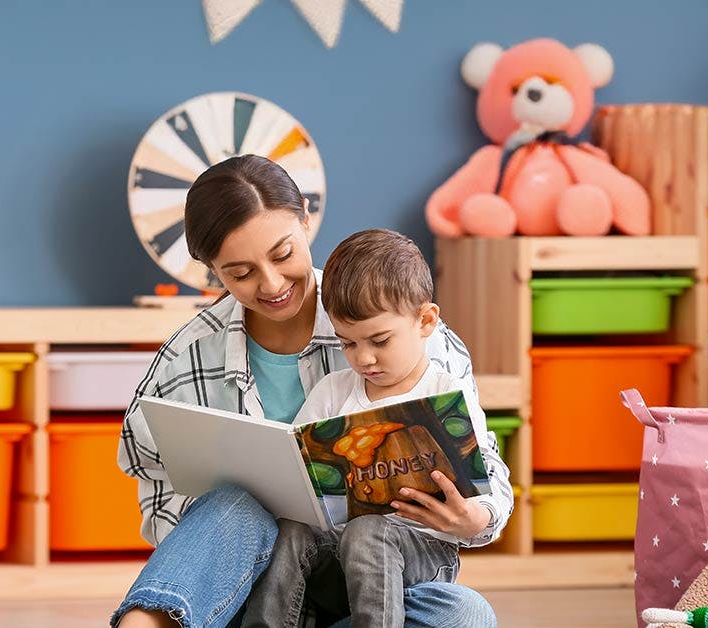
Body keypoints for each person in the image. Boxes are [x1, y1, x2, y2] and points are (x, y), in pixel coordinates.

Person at [113, 155, 503, 628]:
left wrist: (475, 521)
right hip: (248, 590)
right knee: (235, 506)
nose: (272, 284)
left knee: (464, 614)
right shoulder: (186, 360)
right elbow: (158, 495)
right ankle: (148, 622)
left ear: (304, 216)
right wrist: (244, 533)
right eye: (240, 273)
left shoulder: (410, 331)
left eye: (282, 255)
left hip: (375, 589)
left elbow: (485, 468)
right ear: (211, 269)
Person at [240, 228, 512, 628]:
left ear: (425, 321)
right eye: (347, 344)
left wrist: (477, 516)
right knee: (295, 529)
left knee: (370, 530)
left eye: (380, 340)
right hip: (339, 553)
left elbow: (486, 472)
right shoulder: (333, 391)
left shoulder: (444, 392)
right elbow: (295, 465)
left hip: (421, 552)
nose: (363, 358)